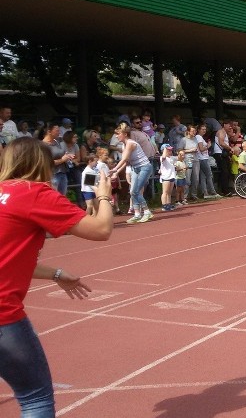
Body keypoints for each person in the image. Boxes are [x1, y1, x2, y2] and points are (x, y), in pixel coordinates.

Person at [0, 137, 114, 417]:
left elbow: (8, 259)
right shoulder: (34, 193)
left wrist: (55, 274)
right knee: (35, 397)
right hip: (3, 315)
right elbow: (101, 230)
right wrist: (103, 194)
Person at [110, 123, 155, 223]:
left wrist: (114, 169)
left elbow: (124, 158)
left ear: (125, 134)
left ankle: (147, 212)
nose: (116, 136)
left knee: (136, 191)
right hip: (135, 168)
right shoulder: (123, 146)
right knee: (132, 192)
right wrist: (116, 172)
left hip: (145, 167)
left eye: (118, 134)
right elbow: (127, 161)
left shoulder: (130, 143)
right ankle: (137, 214)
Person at [159, 144, 177, 211]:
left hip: (171, 176)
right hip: (166, 177)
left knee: (169, 192)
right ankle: (164, 205)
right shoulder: (163, 158)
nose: (170, 151)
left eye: (170, 150)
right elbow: (163, 157)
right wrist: (165, 150)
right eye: (168, 150)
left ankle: (168, 203)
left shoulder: (171, 158)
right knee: (165, 192)